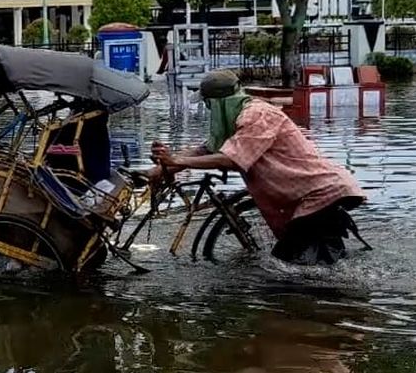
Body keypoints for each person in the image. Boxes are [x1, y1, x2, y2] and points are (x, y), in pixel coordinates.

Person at [148, 70, 366, 264]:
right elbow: (206, 150)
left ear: (219, 103)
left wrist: (176, 161)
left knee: (294, 268)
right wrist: (161, 168)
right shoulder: (238, 119)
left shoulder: (258, 115)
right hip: (302, 195)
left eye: (208, 105)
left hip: (319, 194)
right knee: (310, 266)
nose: (208, 110)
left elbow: (231, 159)